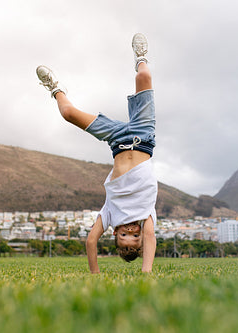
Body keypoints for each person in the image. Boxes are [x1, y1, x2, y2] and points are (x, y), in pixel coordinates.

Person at [36, 33, 157, 273]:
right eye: (135, 236)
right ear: (141, 234)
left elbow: (91, 241)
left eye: (124, 235)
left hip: (116, 140)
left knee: (68, 114)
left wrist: (95, 276)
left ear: (115, 231)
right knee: (144, 76)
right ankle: (141, 57)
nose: (131, 231)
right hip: (143, 135)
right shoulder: (147, 217)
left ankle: (55, 88)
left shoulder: (110, 215)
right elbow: (151, 240)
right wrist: (146, 273)